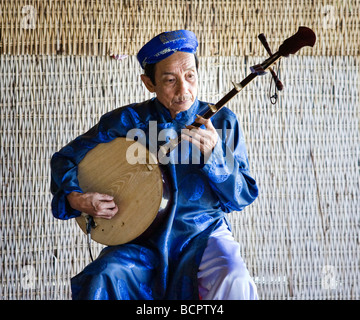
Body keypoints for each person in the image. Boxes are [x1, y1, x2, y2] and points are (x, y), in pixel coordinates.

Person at [50, 30, 259, 300]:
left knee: (233, 277)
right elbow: (65, 158)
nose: (184, 89)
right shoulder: (127, 121)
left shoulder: (221, 121)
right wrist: (76, 199)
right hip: (139, 237)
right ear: (149, 83)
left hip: (203, 234)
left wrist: (215, 155)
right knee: (104, 275)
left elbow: (242, 197)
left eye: (190, 75)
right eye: (170, 80)